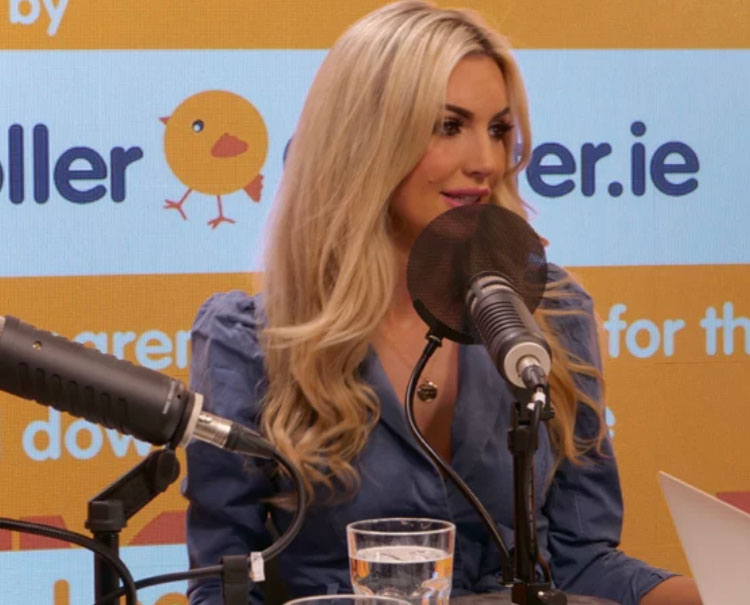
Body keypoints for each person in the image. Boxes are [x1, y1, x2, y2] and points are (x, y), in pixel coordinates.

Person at [182, 2, 702, 604]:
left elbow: (579, 562)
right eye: (448, 126)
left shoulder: (553, 315)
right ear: (365, 140)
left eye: (499, 130)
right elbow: (220, 588)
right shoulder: (250, 342)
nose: (485, 162)